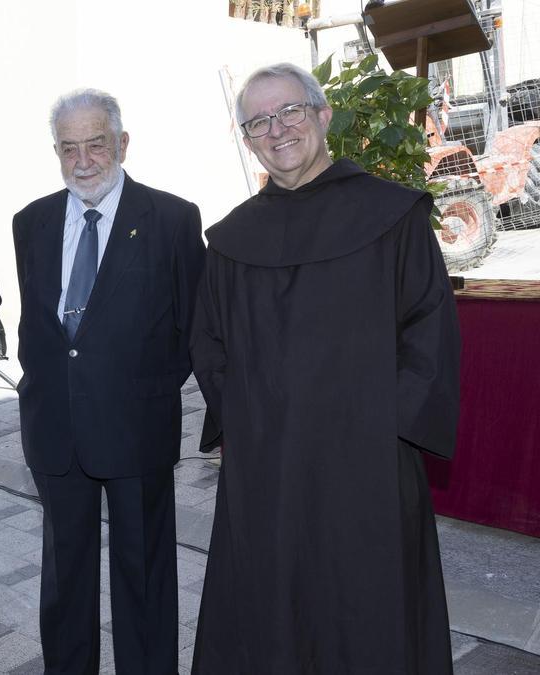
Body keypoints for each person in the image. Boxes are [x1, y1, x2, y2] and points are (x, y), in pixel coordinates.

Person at [190, 62, 460, 674]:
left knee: (369, 615)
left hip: (367, 468)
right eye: (259, 121)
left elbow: (429, 332)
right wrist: (247, 426)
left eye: (289, 111)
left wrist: (381, 425)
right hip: (269, 472)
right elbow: (210, 346)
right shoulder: (231, 240)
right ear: (247, 137)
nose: (277, 129)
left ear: (322, 115)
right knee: (271, 613)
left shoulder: (393, 216)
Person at [12, 89, 205, 673]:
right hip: (56, 431)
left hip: (135, 427)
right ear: (56, 152)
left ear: (122, 143)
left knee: (143, 576)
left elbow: (191, 328)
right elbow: (39, 327)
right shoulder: (31, 222)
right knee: (64, 577)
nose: (84, 160)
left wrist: (139, 387)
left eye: (96, 143)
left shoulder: (171, 218)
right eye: (69, 148)